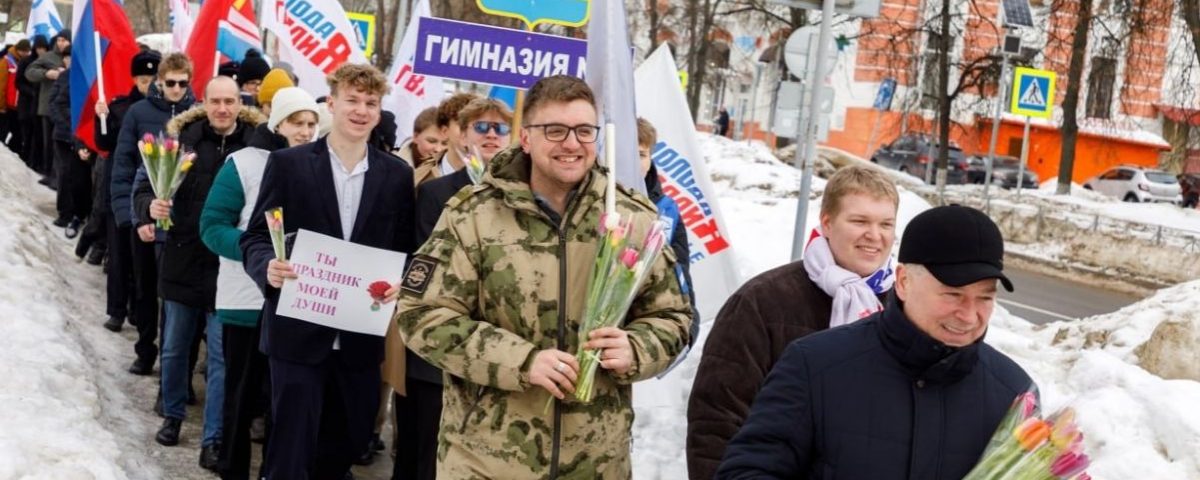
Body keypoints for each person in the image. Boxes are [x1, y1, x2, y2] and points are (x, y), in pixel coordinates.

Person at [395, 75, 692, 478]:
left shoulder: (630, 218)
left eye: (584, 130)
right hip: (488, 460)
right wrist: (523, 361)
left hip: (596, 463)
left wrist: (637, 348)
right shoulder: (474, 215)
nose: (571, 143)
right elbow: (421, 315)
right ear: (526, 137)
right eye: (555, 130)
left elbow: (675, 318)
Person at [716, 205, 1033, 479]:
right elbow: (746, 471)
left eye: (984, 298)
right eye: (953, 294)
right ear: (904, 281)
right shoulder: (814, 365)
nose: (969, 315)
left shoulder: (1014, 395)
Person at [240, 63, 416, 480]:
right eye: (352, 100)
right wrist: (268, 267)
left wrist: (401, 282)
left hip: (359, 339)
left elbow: (407, 251)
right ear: (331, 104)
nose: (361, 110)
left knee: (345, 447)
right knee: (289, 453)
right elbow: (257, 236)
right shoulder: (289, 164)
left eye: (370, 103)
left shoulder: (396, 175)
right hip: (298, 334)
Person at [686, 165, 899, 479]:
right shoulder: (762, 301)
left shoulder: (905, 306)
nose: (874, 235)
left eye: (886, 224)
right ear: (827, 223)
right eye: (859, 221)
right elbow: (717, 420)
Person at [135, 76, 264, 457]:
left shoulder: (255, 149)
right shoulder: (180, 141)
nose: (223, 109)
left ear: (240, 104)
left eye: (230, 101)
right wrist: (149, 208)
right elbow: (145, 187)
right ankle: (172, 415)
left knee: (221, 358)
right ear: (203, 103)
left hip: (230, 268)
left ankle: (213, 438)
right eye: (215, 101)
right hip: (183, 258)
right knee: (175, 348)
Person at [387, 96, 513, 480]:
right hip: (437, 351)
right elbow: (426, 266)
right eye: (481, 127)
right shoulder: (437, 193)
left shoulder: (524, 194)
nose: (491, 135)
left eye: (500, 128)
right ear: (462, 134)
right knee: (421, 456)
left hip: (499, 349)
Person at [201, 86, 319, 480]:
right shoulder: (243, 163)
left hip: (298, 304)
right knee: (240, 398)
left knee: (281, 405)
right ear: (277, 123)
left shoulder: (320, 166)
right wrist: (262, 255)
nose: (305, 131)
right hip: (247, 302)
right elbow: (212, 226)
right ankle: (232, 469)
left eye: (311, 123)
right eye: (296, 122)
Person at [111, 52, 196, 375]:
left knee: (175, 294)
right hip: (144, 213)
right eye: (170, 83)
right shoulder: (138, 112)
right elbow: (123, 166)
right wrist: (130, 217)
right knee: (145, 288)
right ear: (159, 81)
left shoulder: (196, 115)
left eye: (182, 83)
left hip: (181, 221)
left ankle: (175, 365)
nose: (176, 89)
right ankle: (145, 349)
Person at [95, 48, 160, 333]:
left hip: (150, 193)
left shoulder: (165, 111)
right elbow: (105, 144)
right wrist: (101, 118)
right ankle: (117, 310)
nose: (148, 84)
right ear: (134, 79)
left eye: (153, 79)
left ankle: (138, 309)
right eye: (143, 79)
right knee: (119, 255)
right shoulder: (121, 107)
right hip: (122, 189)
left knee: (143, 260)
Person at [636, 118, 696, 374]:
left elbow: (680, 274)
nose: (634, 162)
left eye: (641, 154)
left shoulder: (666, 210)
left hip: (644, 335)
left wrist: (687, 329)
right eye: (627, 154)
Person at [47, 46, 92, 237]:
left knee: (82, 178)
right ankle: (65, 213)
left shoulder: (93, 78)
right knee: (65, 175)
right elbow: (54, 104)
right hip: (64, 135)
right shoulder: (66, 77)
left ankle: (80, 213)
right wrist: (72, 124)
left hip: (86, 137)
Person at [26, 29, 70, 192]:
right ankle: (49, 173)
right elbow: (29, 72)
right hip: (47, 107)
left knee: (61, 144)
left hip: (65, 108)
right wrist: (47, 73)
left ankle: (58, 176)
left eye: (64, 40)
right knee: (48, 143)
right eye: (59, 40)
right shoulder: (48, 57)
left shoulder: (75, 56)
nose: (61, 43)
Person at [412, 92, 477, 185]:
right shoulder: (418, 179)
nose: (471, 131)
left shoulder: (494, 178)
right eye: (463, 125)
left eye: (479, 125)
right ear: (445, 131)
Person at [16, 37, 45, 172]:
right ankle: (24, 158)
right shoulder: (26, 61)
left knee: (37, 135)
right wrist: (32, 92)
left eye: (43, 48)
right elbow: (19, 82)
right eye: (39, 48)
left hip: (40, 105)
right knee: (26, 134)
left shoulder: (45, 61)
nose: (41, 51)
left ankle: (34, 161)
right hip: (27, 104)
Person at [2, 40, 31, 152]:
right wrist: (1, 105)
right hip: (6, 105)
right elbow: (2, 85)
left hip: (16, 105)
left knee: (17, 132)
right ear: (19, 50)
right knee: (5, 131)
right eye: (25, 51)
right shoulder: (6, 61)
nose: (27, 54)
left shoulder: (21, 62)